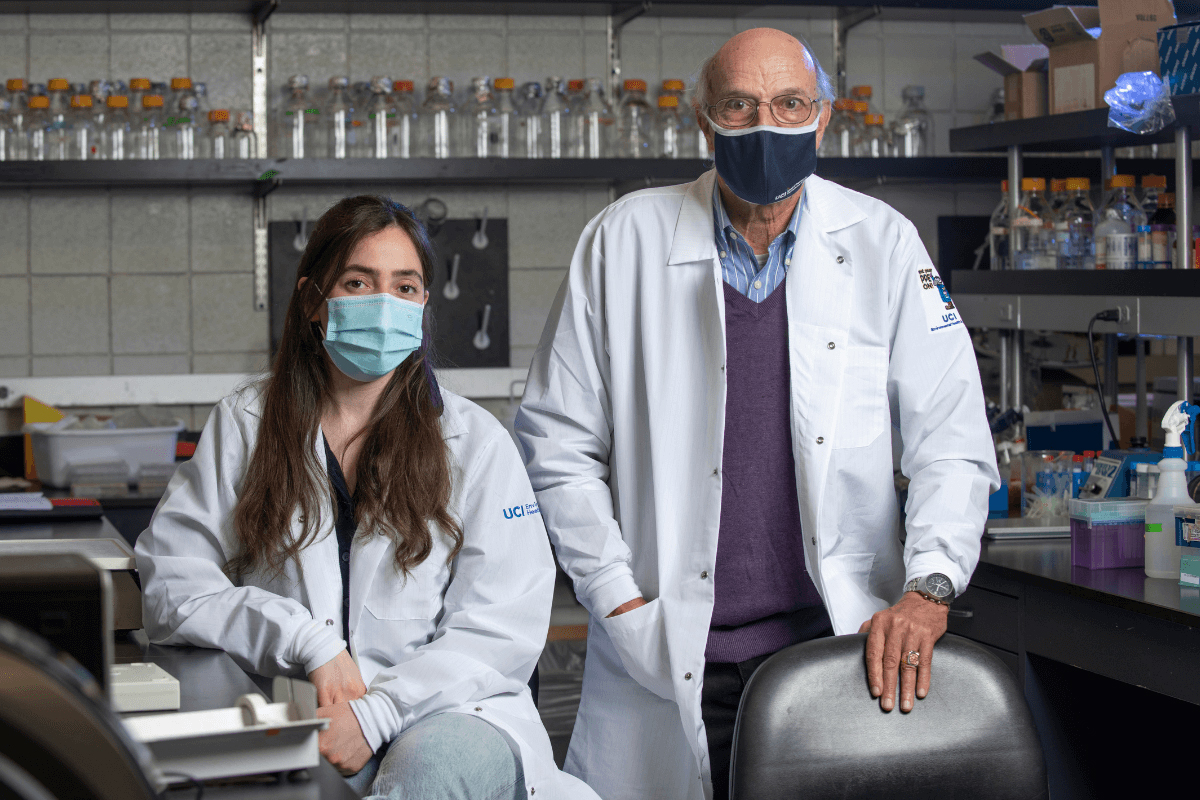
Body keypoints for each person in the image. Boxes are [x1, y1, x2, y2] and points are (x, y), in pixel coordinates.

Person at [516, 28, 1001, 800]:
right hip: (666, 644)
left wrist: (930, 586)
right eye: (740, 106)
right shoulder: (623, 240)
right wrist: (616, 591)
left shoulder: (882, 242)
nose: (766, 125)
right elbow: (555, 443)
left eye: (789, 104)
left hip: (834, 651)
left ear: (823, 118)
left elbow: (951, 439)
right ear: (703, 122)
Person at [136, 196, 599, 800]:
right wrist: (306, 640)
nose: (385, 305)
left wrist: (379, 713)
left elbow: (500, 629)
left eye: (405, 287)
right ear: (312, 301)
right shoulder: (246, 425)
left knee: (426, 776)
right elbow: (172, 584)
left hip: (456, 720)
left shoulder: (474, 442)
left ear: (423, 304)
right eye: (358, 282)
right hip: (306, 722)